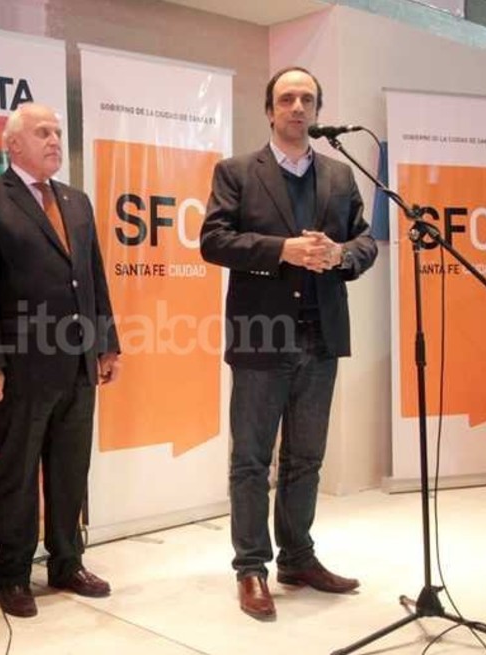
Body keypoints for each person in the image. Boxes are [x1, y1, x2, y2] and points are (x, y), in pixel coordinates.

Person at [199, 66, 376, 620]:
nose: (298, 107)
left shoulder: (339, 177)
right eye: (287, 98)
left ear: (318, 110)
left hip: (320, 336)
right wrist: (284, 250)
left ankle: (297, 556)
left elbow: (364, 240)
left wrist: (340, 256)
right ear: (270, 109)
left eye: (307, 98)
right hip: (260, 336)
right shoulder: (236, 172)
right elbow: (214, 240)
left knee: (307, 458)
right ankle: (251, 567)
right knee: (251, 460)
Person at [0, 102, 121, 618]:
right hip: (20, 366)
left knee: (71, 468)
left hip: (76, 362)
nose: (53, 140)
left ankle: (67, 562)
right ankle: (12, 572)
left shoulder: (76, 200)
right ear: (14, 144)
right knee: (17, 472)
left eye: (57, 131)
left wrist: (106, 343)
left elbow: (91, 276)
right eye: (42, 132)